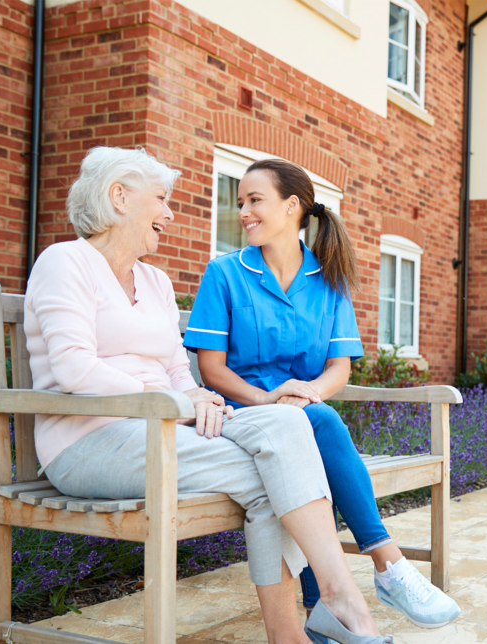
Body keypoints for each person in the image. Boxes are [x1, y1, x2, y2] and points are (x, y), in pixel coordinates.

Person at [24, 146, 389, 644]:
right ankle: (333, 604)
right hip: (89, 442)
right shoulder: (65, 261)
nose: (170, 212)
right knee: (273, 472)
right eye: (161, 199)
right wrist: (178, 403)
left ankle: (322, 608)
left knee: (289, 424)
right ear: (119, 198)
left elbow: (178, 367)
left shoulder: (153, 279)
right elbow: (73, 367)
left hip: (162, 430)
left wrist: (197, 395)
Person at [183, 159, 461, 629]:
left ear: (292, 207)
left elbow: (339, 367)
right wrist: (268, 399)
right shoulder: (225, 273)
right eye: (240, 203)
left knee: (312, 429)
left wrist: (308, 392)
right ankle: (387, 564)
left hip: (302, 415)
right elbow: (211, 368)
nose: (243, 213)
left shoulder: (328, 278)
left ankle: (321, 608)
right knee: (322, 424)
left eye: (255, 201)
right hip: (240, 415)